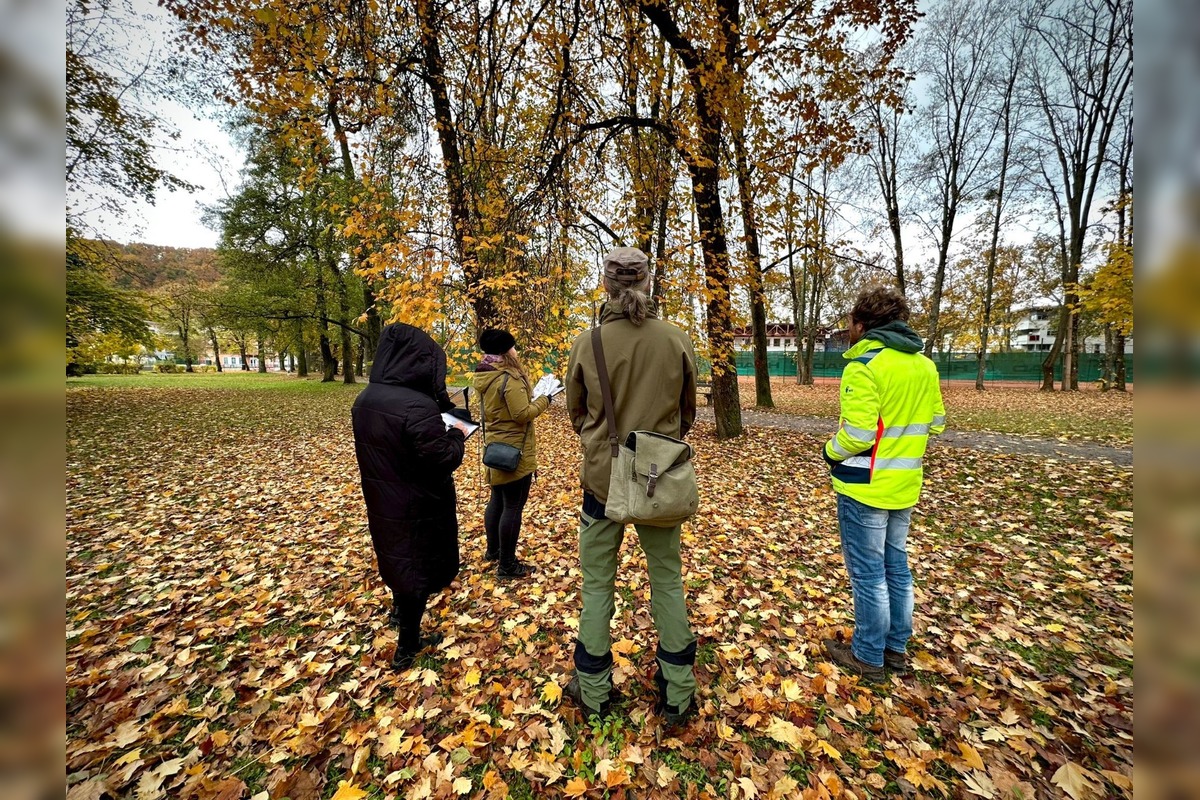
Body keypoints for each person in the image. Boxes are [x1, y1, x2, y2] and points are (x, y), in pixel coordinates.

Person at [563, 246, 699, 728]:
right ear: (647, 282)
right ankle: (678, 693)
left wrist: (601, 440)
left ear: (608, 284)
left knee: (598, 583)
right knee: (667, 578)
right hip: (659, 481)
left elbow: (575, 412)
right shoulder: (677, 339)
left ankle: (595, 692)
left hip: (603, 483)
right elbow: (687, 414)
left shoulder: (587, 344)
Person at [821, 286, 946, 682]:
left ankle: (868, 655)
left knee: (869, 574)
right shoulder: (924, 366)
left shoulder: (865, 366)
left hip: (865, 487)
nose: (850, 331)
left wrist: (829, 450)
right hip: (905, 485)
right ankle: (895, 648)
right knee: (897, 568)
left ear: (862, 324)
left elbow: (857, 434)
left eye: (851, 325)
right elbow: (937, 422)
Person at [351, 323, 471, 671]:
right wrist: (458, 434)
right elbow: (443, 457)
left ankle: (400, 617)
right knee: (415, 568)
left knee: (397, 559)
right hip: (417, 501)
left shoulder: (367, 398)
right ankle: (407, 645)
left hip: (383, 495)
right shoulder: (415, 406)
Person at [473, 328, 551, 579]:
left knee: (497, 500)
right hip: (514, 451)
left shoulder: (485, 375)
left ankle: (493, 551)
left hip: (495, 447)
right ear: (506, 351)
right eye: (513, 346)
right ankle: (507, 565)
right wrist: (545, 400)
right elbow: (521, 414)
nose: (516, 351)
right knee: (513, 507)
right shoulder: (510, 378)